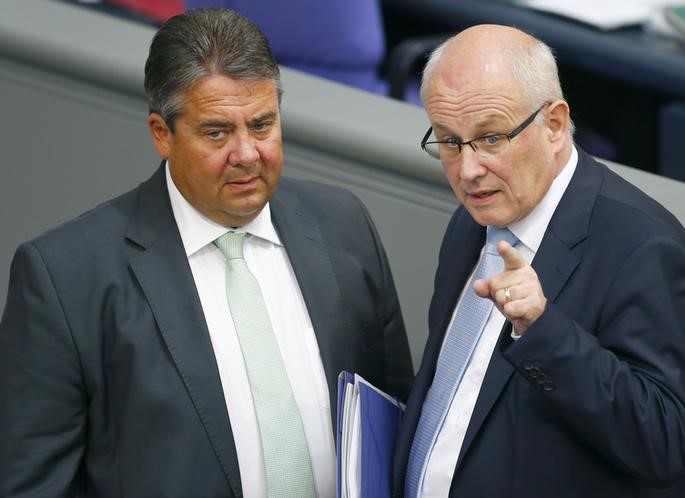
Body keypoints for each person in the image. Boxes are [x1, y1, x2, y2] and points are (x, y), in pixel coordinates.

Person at [0, 8, 413, 498]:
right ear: (162, 134)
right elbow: (29, 482)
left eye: (262, 125)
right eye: (217, 132)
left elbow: (395, 418)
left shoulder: (344, 226)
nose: (246, 153)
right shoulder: (66, 278)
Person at [391, 25, 685, 498]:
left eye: (491, 138)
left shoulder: (647, 249)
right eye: (449, 141)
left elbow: (664, 444)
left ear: (555, 125)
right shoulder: (472, 222)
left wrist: (543, 332)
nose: (467, 170)